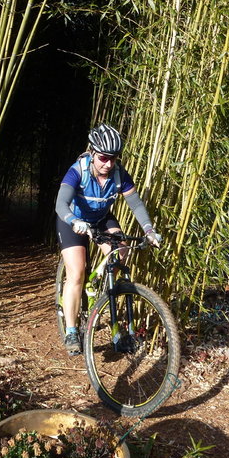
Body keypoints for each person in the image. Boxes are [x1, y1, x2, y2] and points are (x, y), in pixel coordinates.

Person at [55, 123, 162, 355]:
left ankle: (101, 285)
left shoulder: (118, 173)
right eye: (103, 157)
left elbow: (135, 203)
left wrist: (149, 230)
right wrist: (74, 221)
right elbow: (60, 203)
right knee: (76, 272)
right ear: (93, 153)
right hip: (72, 220)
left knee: (121, 250)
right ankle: (72, 330)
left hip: (102, 217)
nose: (108, 163)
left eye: (113, 158)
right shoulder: (78, 171)